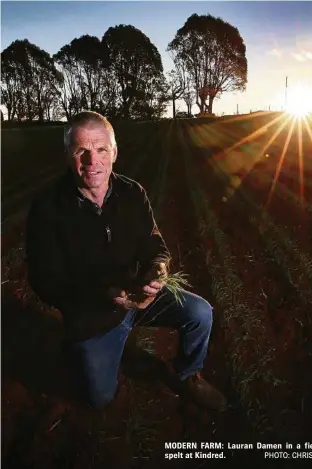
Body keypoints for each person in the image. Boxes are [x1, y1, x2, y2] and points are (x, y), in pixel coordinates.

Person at [26, 111, 227, 411]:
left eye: (101, 150)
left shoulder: (132, 193)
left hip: (139, 296)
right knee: (98, 398)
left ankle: (188, 374)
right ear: (68, 155)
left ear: (114, 152)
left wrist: (157, 268)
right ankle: (77, 346)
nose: (92, 162)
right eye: (82, 151)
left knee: (199, 312)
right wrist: (104, 294)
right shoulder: (48, 209)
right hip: (93, 315)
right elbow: (44, 280)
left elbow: (153, 243)